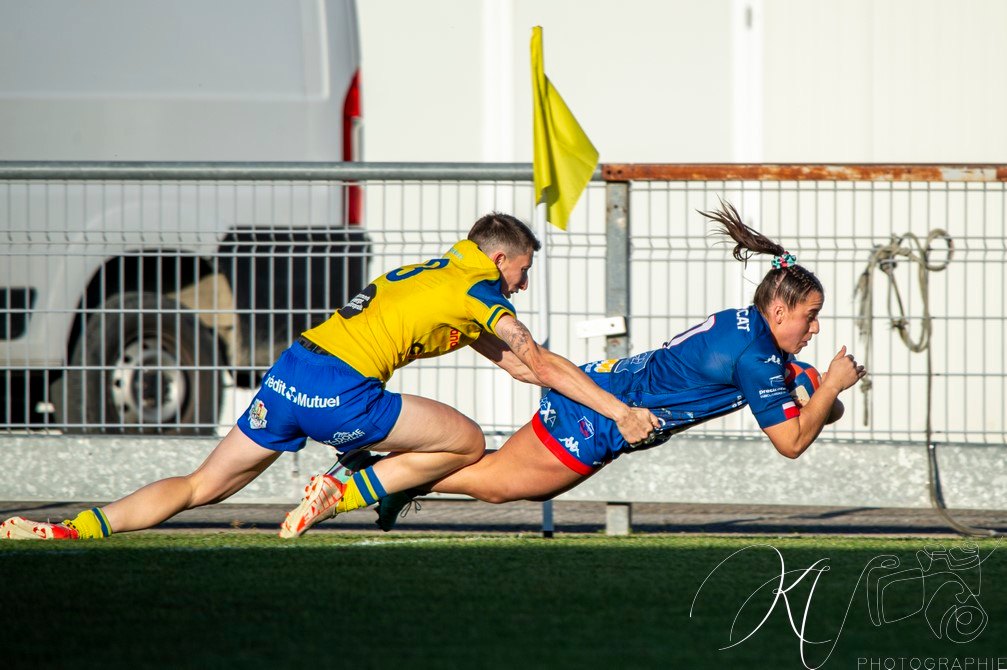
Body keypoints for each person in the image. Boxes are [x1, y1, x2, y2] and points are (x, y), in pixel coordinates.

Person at [1, 212, 660, 541]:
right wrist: (617, 411)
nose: (522, 281)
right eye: (522, 269)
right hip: (339, 387)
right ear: (499, 258)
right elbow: (538, 359)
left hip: (290, 372)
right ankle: (340, 491)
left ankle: (68, 530)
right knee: (460, 442)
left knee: (203, 485)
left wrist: (592, 378)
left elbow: (522, 365)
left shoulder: (440, 273)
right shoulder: (480, 287)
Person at [344, 201, 868, 532]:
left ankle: (393, 477)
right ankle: (385, 476)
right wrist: (830, 385)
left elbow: (810, 406)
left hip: (602, 382)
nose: (815, 329)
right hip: (601, 415)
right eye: (811, 316)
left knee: (499, 474)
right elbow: (792, 443)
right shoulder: (759, 359)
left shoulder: (748, 329)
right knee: (499, 484)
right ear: (779, 312)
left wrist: (817, 392)